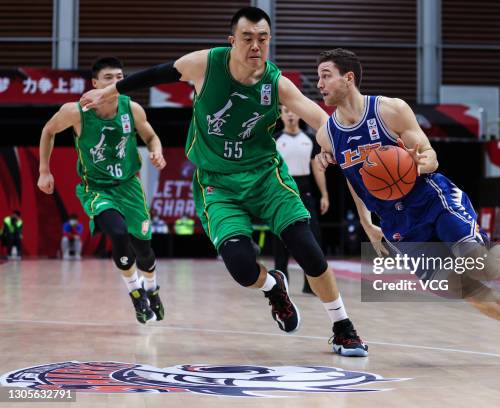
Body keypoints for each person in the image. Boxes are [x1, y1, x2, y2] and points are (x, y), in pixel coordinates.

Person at [79, 7, 367, 357]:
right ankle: (273, 287)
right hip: (218, 182)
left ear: (269, 41)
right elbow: (158, 74)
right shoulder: (206, 64)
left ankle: (343, 327)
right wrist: (111, 92)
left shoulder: (276, 83)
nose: (255, 45)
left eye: (262, 38)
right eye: (247, 38)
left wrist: (336, 142)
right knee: (243, 268)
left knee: (307, 249)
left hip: (265, 176)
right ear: (233, 41)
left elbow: (316, 115)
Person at [315, 48, 500, 369]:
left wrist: (421, 162)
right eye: (318, 77)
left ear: (348, 78)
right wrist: (368, 222)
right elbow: (355, 181)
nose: (320, 83)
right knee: (461, 289)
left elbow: (430, 154)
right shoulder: (327, 134)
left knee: (478, 266)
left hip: (431, 199)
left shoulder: (389, 110)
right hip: (398, 223)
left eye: (326, 75)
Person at [38, 57, 166, 325]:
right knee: (117, 233)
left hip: (129, 186)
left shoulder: (131, 108)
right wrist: (44, 171)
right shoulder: (75, 111)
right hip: (96, 187)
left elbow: (152, 136)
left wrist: (156, 151)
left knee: (144, 250)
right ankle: (135, 293)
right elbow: (48, 131)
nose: (116, 82)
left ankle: (152, 289)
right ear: (95, 83)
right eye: (109, 78)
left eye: (120, 77)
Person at [274, 105, 329, 294]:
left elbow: (317, 169)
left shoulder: (310, 139)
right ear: (280, 115)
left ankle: (311, 286)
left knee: (313, 239)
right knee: (281, 242)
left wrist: (324, 194)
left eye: (292, 111)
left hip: (305, 194)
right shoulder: (275, 140)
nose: (290, 114)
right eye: (285, 111)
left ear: (299, 114)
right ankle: (281, 286)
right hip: (281, 195)